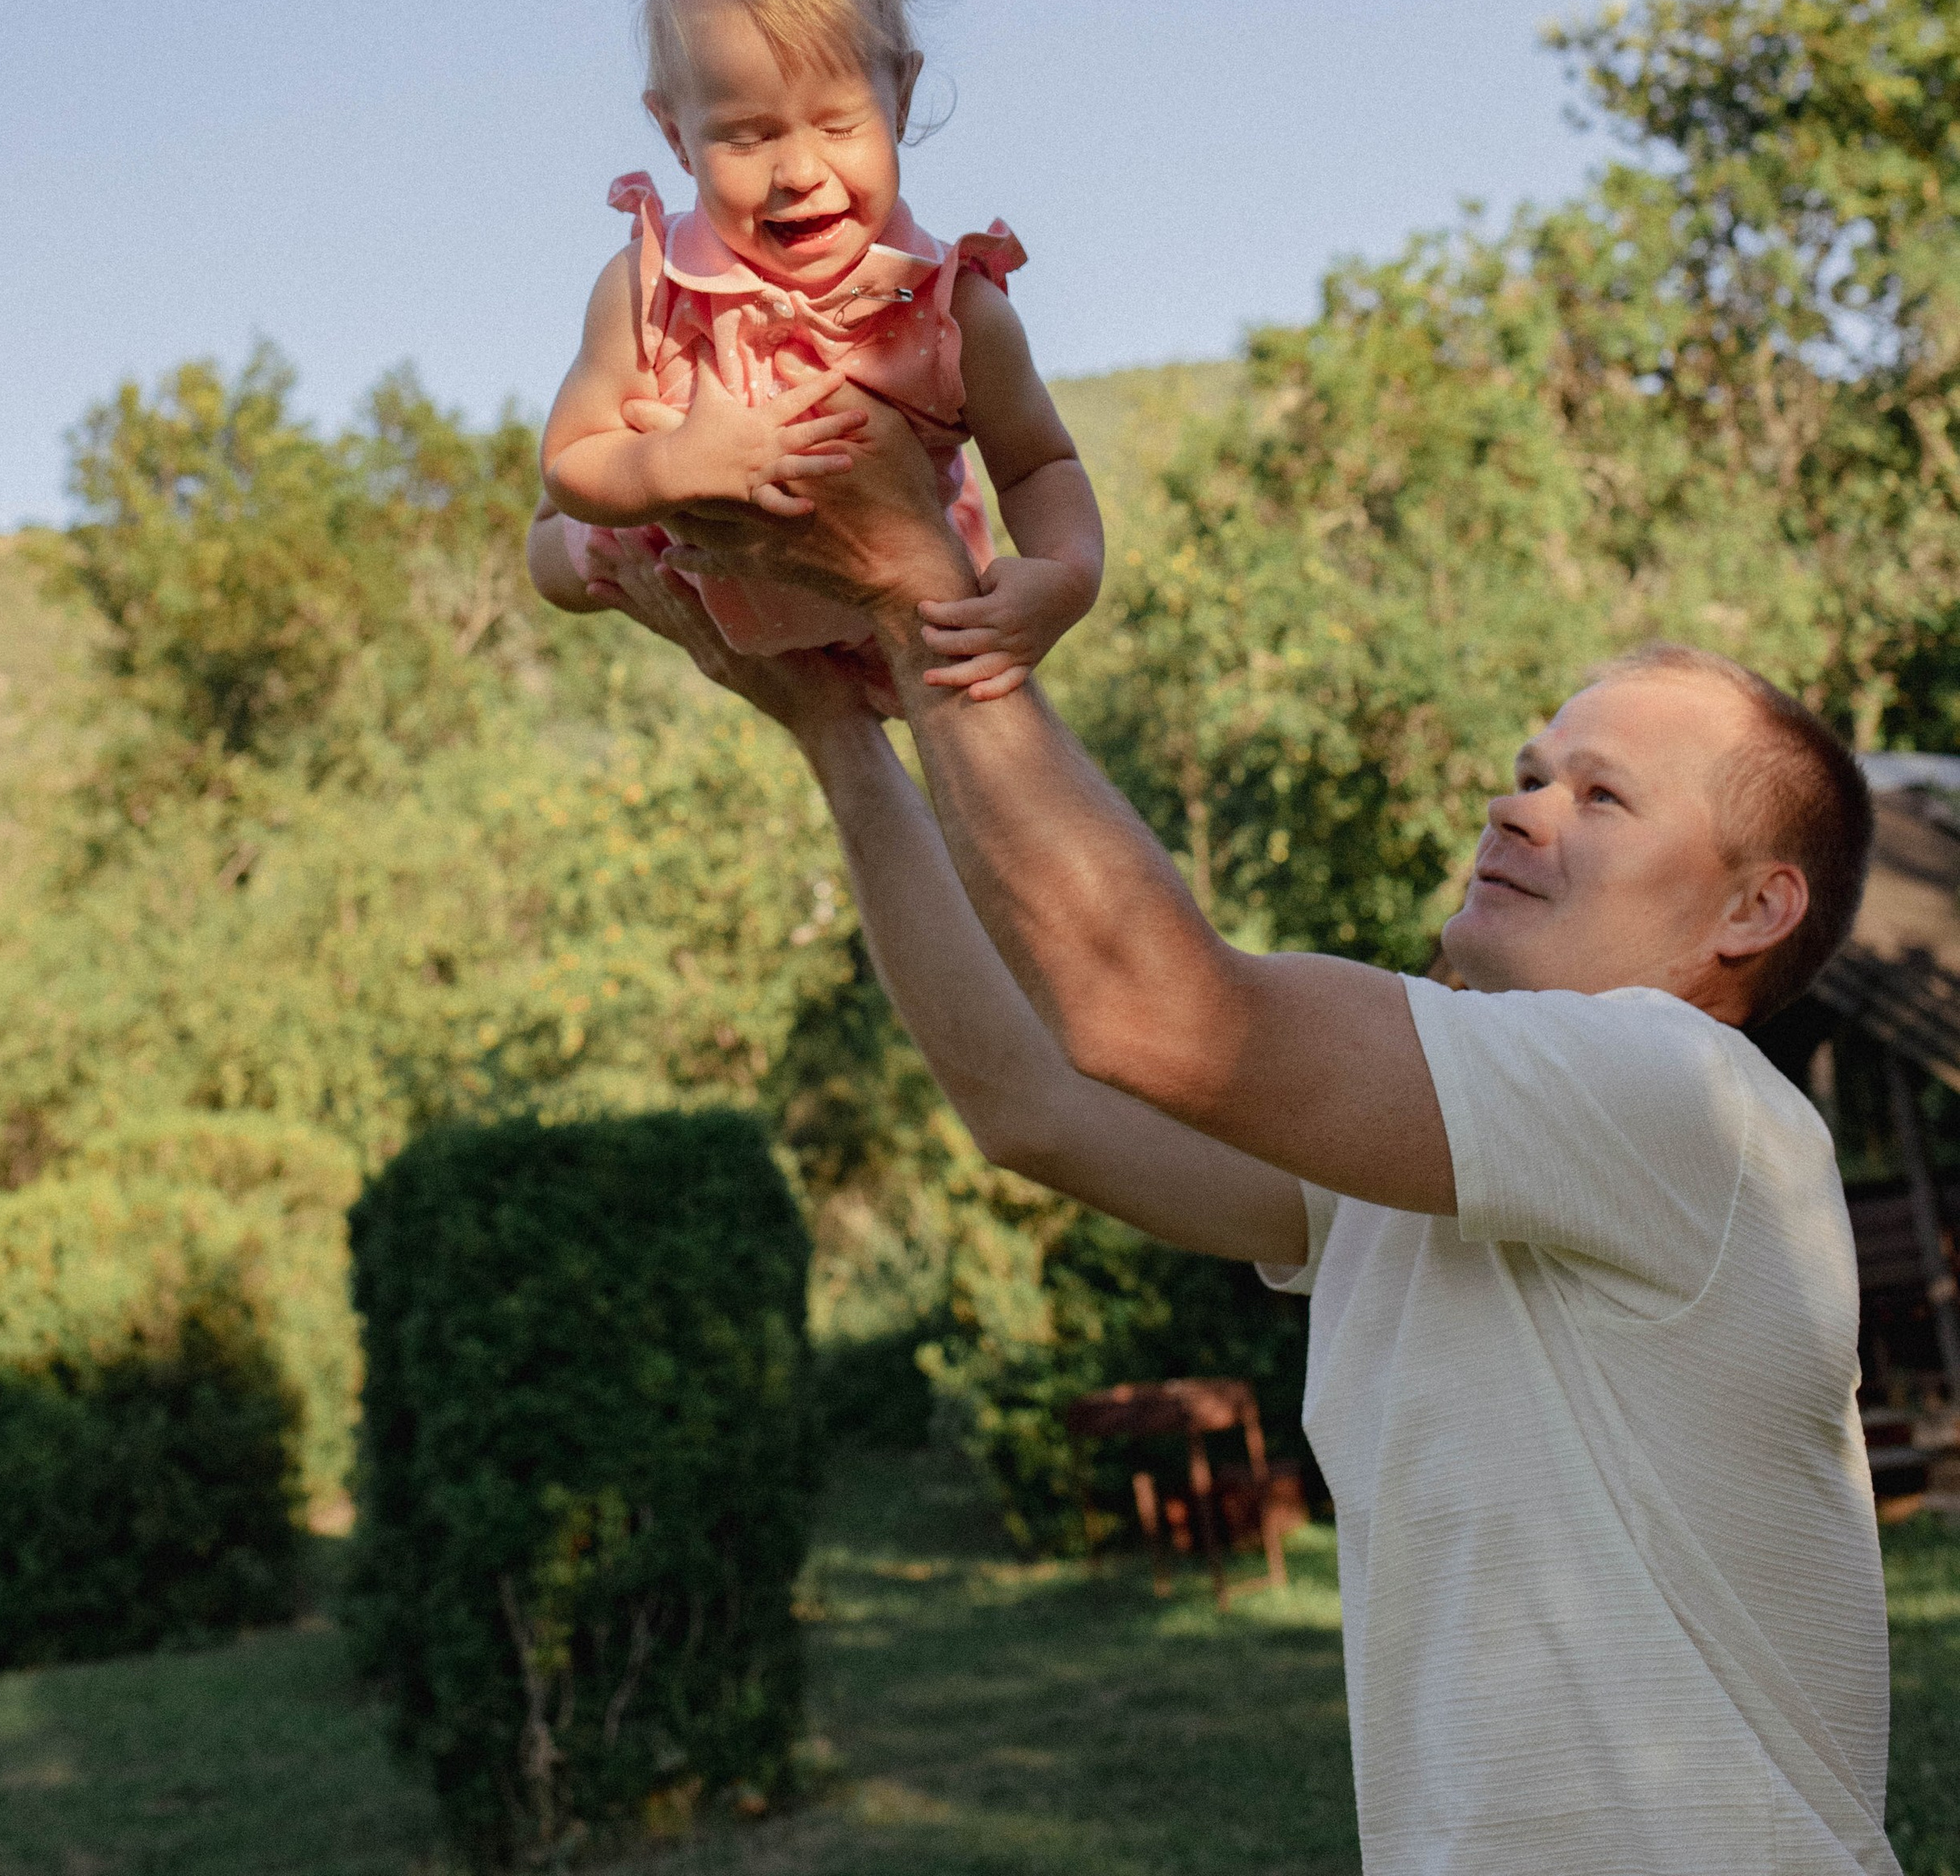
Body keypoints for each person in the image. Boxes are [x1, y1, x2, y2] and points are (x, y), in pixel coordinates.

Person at [596, 397, 1897, 1876]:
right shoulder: (1443, 1170)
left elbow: (1152, 1009)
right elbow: (1038, 1099)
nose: (1516, 806)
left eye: (1600, 796)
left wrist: (922, 597)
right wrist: (844, 732)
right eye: (1532, 770)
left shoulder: (1688, 1101)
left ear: (1751, 909)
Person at [526, 0, 1103, 702]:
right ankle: (545, 535)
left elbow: (1040, 460)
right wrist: (665, 463)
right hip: (688, 546)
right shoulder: (649, 289)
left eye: (837, 125)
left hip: (879, 603)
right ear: (675, 135)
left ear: (901, 96)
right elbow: (576, 455)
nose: (798, 171)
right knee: (565, 564)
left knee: (946, 714)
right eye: (746, 136)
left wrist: (1065, 578)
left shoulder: (952, 315)